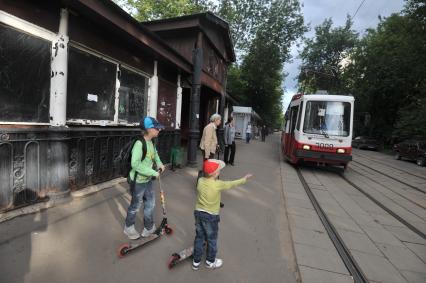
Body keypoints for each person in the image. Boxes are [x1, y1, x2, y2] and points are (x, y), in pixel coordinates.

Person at [192, 159, 252, 270]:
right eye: (218, 170)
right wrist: (244, 179)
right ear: (214, 174)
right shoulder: (218, 184)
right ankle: (210, 261)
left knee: (199, 237)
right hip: (211, 217)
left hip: (198, 213)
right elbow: (231, 184)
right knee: (212, 239)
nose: (220, 171)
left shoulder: (200, 181)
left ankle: (196, 261)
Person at [123, 116, 166, 240]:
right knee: (136, 205)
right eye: (157, 128)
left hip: (147, 179)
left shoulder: (151, 142)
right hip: (138, 181)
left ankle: (149, 227)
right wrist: (153, 172)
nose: (159, 130)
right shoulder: (139, 143)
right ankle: (128, 227)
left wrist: (160, 164)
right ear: (149, 129)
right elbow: (135, 164)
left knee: (150, 203)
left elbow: (155, 155)